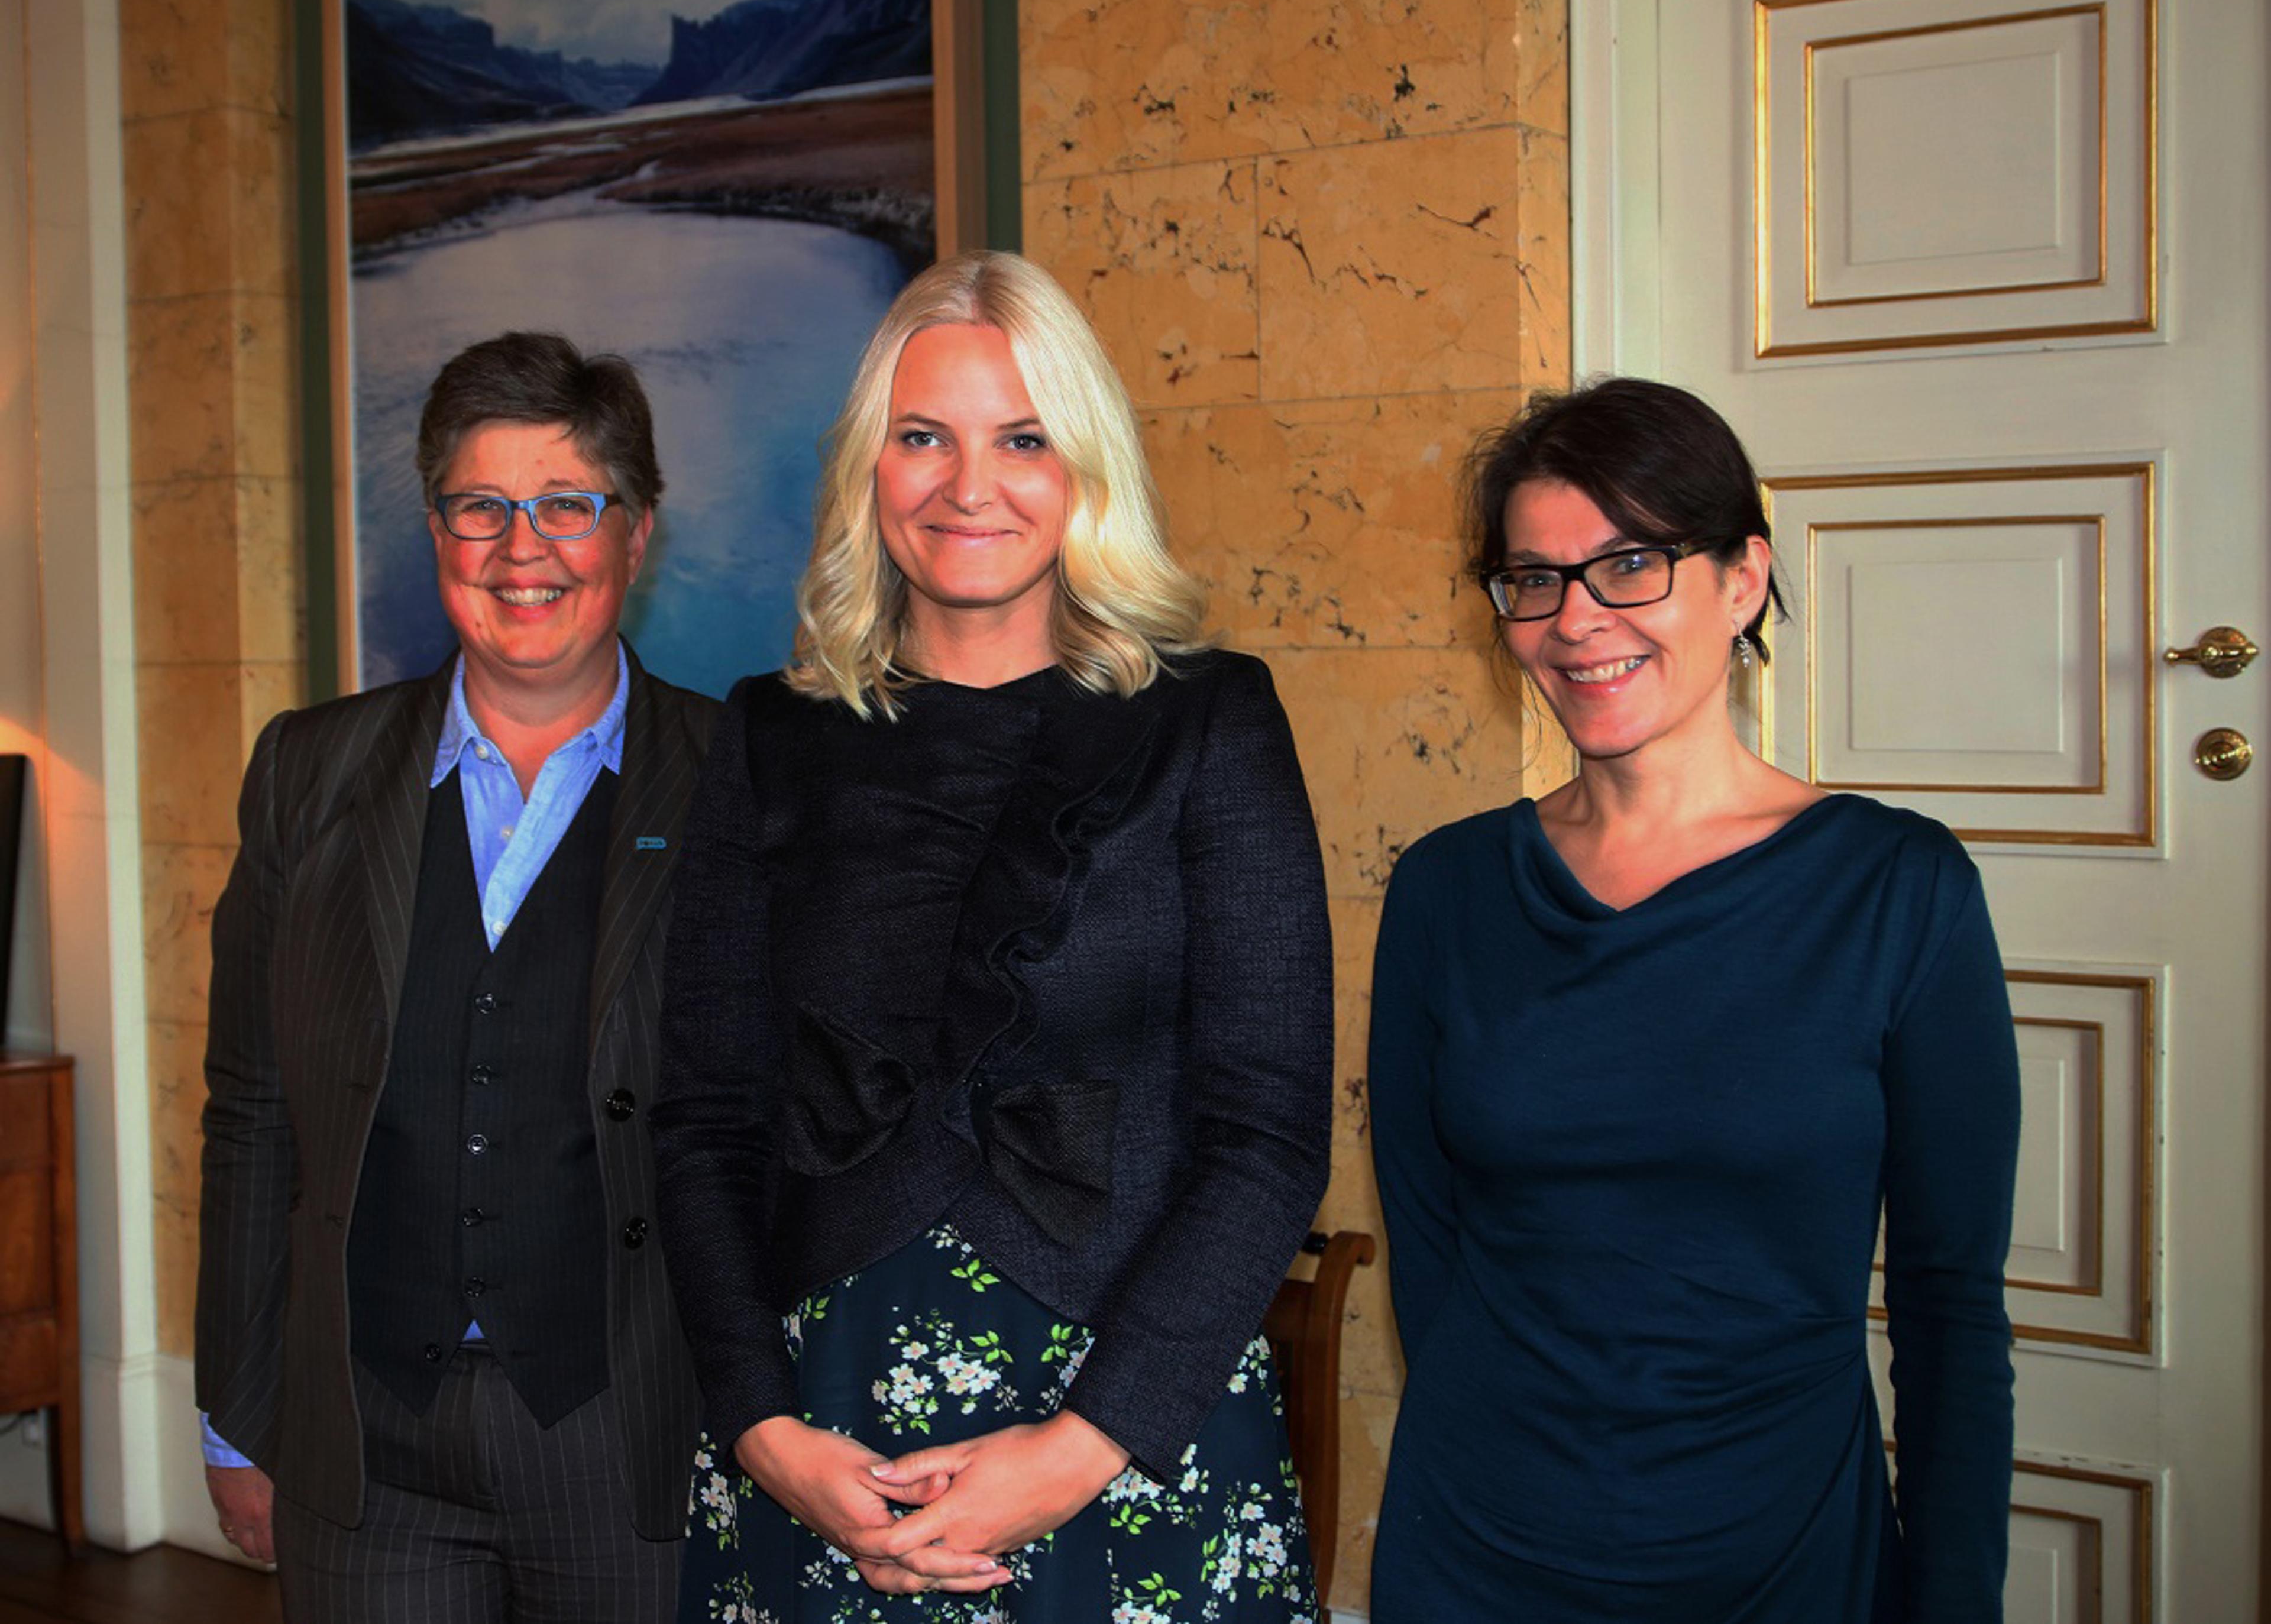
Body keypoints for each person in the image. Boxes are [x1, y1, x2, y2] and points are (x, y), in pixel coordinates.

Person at [651, 249, 1332, 1621]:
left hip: (1132, 1427)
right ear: (870, 467)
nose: (970, 485)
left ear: (1086, 466)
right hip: (822, 1439)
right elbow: (705, 1119)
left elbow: (1267, 1136)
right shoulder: (767, 735)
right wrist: (764, 1431)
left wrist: (1082, 1447)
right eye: (924, 437)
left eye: (1023, 438)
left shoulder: (1212, 721)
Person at [1367, 378, 2021, 1623]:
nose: (1576, 620)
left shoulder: (1896, 889)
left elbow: (1950, 1310)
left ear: (1742, 581)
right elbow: (1430, 1252)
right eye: (1534, 579)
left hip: (1779, 1551)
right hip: (1481, 1548)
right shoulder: (1449, 890)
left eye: (1631, 565)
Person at [195, 331, 716, 1622]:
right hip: (365, 1445)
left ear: (636, 536)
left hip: (632, 1438)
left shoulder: (738, 784)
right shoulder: (307, 775)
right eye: (479, 507)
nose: (520, 549)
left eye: (567, 506)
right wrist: (236, 1416)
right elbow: (252, 1111)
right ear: (437, 532)